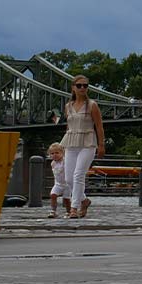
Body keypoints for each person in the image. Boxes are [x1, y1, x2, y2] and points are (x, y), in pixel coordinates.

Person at [59, 75, 105, 219]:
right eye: (79, 85)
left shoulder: (92, 105)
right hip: (71, 142)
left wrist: (101, 145)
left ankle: (74, 208)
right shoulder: (68, 106)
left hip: (87, 142)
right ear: (73, 87)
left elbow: (99, 126)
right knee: (68, 178)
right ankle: (84, 201)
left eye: (85, 85)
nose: (82, 88)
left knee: (78, 175)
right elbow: (69, 126)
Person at [46, 142, 70, 218]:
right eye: (52, 153)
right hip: (58, 184)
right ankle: (53, 211)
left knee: (66, 199)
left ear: (62, 153)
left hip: (67, 184)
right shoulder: (53, 163)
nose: (54, 155)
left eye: (57, 153)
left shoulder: (65, 161)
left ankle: (68, 211)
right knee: (53, 195)